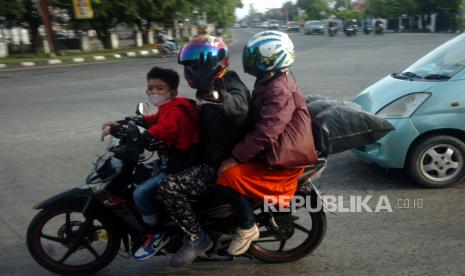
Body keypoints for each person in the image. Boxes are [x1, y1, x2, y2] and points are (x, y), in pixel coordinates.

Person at [216, 30, 318, 256]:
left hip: (282, 161)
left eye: (255, 58)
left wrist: (235, 157)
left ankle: (247, 227)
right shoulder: (271, 79)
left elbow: (266, 133)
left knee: (227, 176)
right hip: (273, 152)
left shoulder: (278, 89)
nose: (250, 63)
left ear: (271, 59)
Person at [155, 35, 251, 267]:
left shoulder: (231, 84)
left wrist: (213, 92)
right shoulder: (207, 86)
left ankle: (197, 238)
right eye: (188, 66)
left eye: (195, 65)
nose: (190, 72)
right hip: (206, 153)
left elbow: (238, 107)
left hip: (217, 164)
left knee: (169, 188)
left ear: (214, 64)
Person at [101, 66, 199, 260]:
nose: (154, 92)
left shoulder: (176, 113)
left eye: (159, 88)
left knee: (140, 193)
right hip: (172, 161)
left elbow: (155, 136)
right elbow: (151, 120)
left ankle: (156, 232)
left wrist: (120, 131)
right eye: (150, 88)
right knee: (141, 177)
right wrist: (124, 122)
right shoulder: (168, 108)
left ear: (173, 92)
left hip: (179, 166)